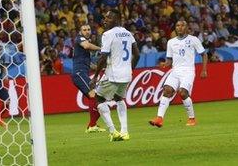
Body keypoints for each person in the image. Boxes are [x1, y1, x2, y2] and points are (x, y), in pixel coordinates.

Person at [90, 10, 139, 142]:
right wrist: (130, 69)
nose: (104, 20)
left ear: (117, 19)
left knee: (99, 99)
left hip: (112, 74)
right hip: (126, 75)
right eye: (104, 17)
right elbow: (137, 54)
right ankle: (125, 132)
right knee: (119, 98)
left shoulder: (108, 34)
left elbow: (103, 57)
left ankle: (113, 132)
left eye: (108, 18)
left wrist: (95, 77)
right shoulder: (128, 34)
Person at [149, 20, 208, 127]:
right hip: (175, 71)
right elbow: (169, 60)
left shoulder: (193, 40)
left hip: (188, 71)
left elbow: (204, 54)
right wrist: (164, 64)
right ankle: (159, 118)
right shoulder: (171, 42)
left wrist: (204, 70)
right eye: (177, 25)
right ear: (175, 28)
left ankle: (192, 119)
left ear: (187, 27)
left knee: (182, 93)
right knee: (167, 91)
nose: (179, 27)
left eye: (182, 25)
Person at [72, 24, 105, 133]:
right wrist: (102, 48)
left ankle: (92, 125)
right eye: (84, 30)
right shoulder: (79, 39)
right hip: (79, 73)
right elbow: (87, 46)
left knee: (98, 98)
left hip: (82, 73)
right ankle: (92, 126)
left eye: (89, 29)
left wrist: (103, 67)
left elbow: (91, 66)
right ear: (80, 32)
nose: (87, 31)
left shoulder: (83, 50)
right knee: (94, 95)